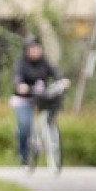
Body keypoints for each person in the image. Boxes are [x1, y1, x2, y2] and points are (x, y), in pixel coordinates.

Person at [9, 37, 67, 166]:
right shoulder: (21, 64)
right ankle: (23, 155)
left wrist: (61, 81)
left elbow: (55, 73)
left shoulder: (44, 62)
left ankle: (48, 134)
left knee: (52, 107)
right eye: (32, 49)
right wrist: (20, 86)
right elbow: (16, 77)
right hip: (23, 99)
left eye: (37, 48)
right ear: (26, 51)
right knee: (24, 125)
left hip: (40, 97)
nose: (35, 51)